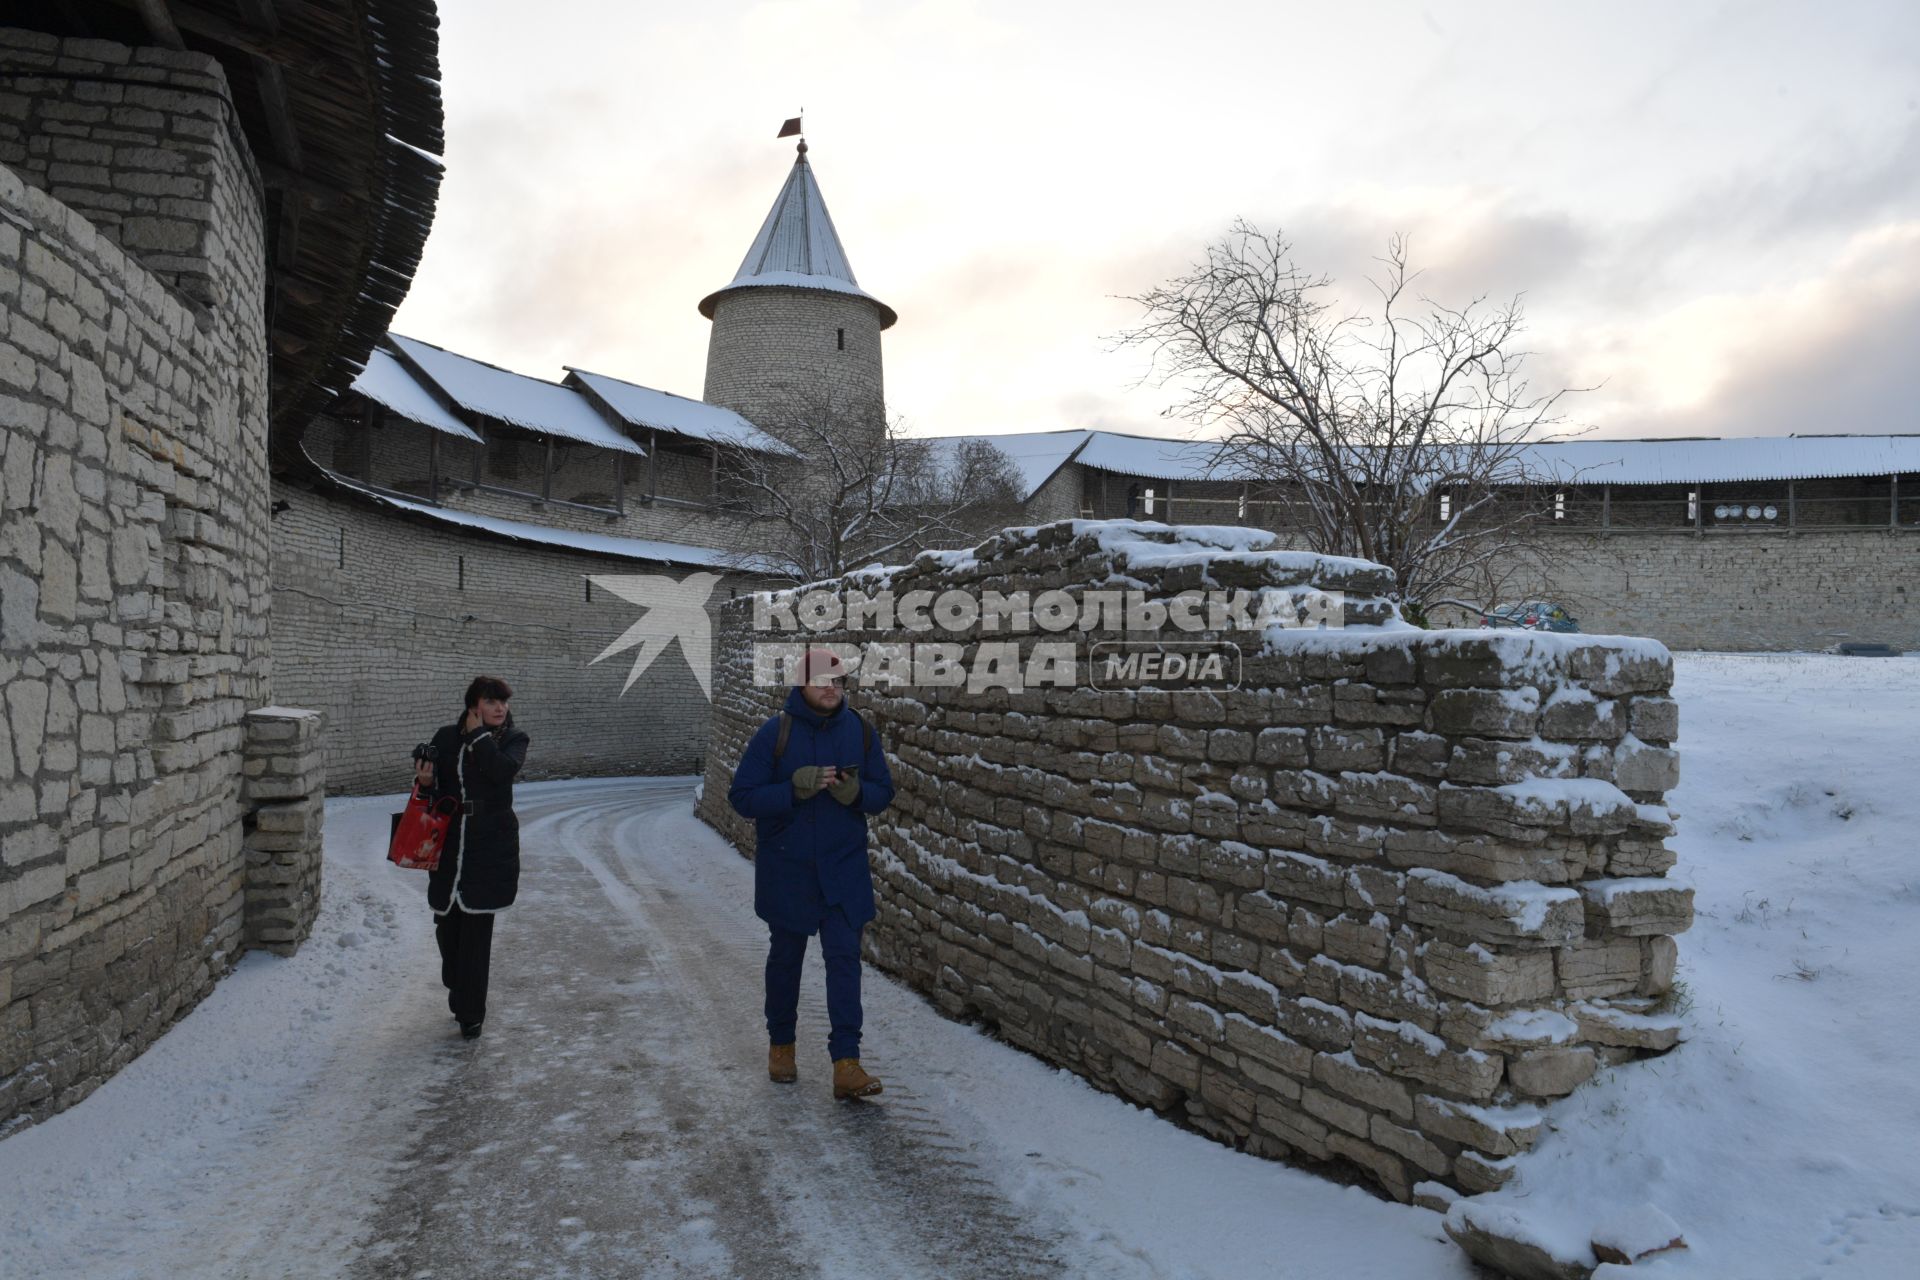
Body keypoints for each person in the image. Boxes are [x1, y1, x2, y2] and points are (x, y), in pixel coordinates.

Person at [727, 648, 895, 1098]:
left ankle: (847, 1063)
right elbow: (742, 797)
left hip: (843, 870)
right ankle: (781, 1045)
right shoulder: (774, 734)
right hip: (789, 869)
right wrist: (792, 789)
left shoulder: (859, 731)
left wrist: (858, 793)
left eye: (838, 682)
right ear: (800, 685)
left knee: (844, 962)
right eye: (821, 680)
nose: (831, 689)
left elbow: (883, 793)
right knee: (786, 961)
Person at [413, 676, 530, 1039]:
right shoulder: (446, 737)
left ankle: (471, 1014)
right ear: (473, 705)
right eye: (492, 701)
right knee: (448, 930)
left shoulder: (512, 739)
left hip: (489, 846)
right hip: (448, 846)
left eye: (503, 702)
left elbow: (502, 771)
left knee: (477, 936)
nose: (500, 708)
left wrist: (479, 736)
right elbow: (432, 792)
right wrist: (426, 782)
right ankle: (457, 986)